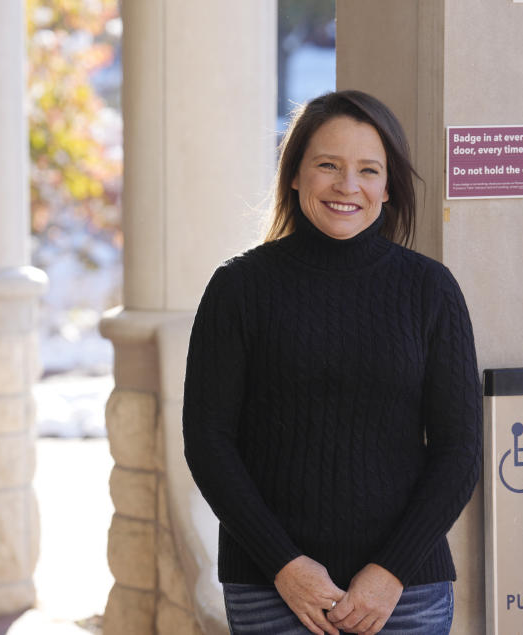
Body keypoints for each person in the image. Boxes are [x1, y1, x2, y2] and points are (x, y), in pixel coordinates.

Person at [182, 90, 482, 635]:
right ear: (295, 174)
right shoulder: (238, 288)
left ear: (387, 187)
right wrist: (284, 565)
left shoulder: (430, 290)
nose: (348, 186)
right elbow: (208, 441)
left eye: (369, 169)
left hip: (405, 592)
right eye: (328, 165)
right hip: (272, 588)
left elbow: (459, 449)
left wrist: (390, 572)